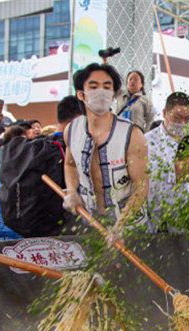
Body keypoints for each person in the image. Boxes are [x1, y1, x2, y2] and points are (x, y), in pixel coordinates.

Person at [62, 62, 149, 243]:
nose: (101, 92)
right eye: (93, 87)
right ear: (81, 94)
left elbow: (141, 186)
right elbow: (70, 164)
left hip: (130, 227)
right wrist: (72, 191)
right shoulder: (72, 130)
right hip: (91, 223)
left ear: (114, 94)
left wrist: (121, 226)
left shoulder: (132, 134)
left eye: (107, 87)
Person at [144, 92, 189, 228]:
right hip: (155, 217)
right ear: (165, 113)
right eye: (177, 118)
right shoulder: (146, 142)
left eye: (187, 119)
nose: (182, 123)